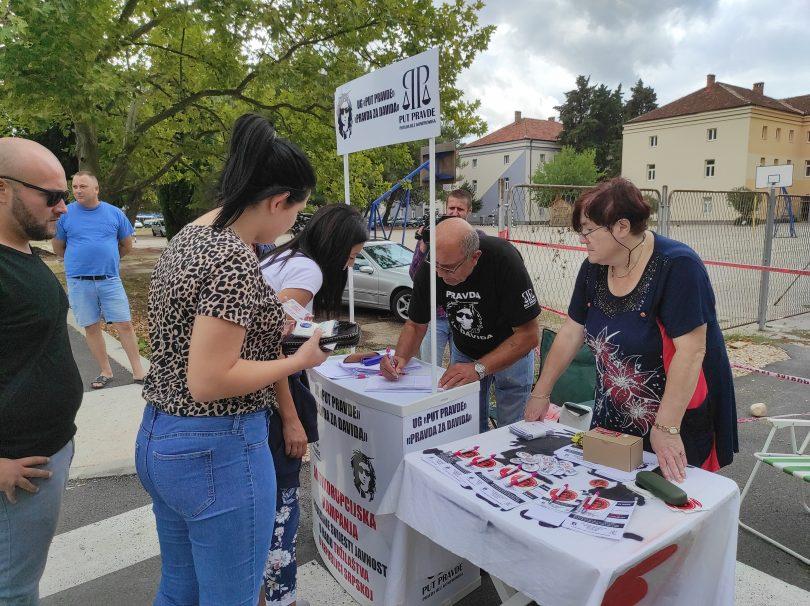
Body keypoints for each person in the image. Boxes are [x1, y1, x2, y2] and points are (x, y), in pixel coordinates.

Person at [135, 113, 329, 606]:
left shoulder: (190, 236)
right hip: (215, 445)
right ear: (277, 201)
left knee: (181, 589)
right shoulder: (232, 257)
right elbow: (209, 379)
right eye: (295, 214)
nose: (292, 227)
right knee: (232, 597)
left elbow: (196, 339)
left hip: (162, 432)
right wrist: (299, 358)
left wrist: (264, 328)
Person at [525, 178, 738, 482]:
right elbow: (572, 330)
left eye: (589, 229)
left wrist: (666, 427)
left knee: (672, 507)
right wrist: (541, 391)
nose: (583, 238)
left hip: (673, 418)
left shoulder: (677, 266)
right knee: (608, 494)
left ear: (621, 227)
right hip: (612, 413)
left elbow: (692, 350)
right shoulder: (594, 267)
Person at [258, 204, 367, 606]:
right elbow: (275, 344)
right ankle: (281, 597)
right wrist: (291, 418)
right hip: (269, 401)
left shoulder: (282, 255)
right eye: (352, 256)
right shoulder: (308, 270)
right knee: (280, 509)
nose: (351, 265)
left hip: (250, 394)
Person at [0, 138, 83, 603]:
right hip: (17, 468)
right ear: (2, 189)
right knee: (12, 589)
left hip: (46, 452)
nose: (63, 207)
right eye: (49, 196)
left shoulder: (23, 252)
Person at [382, 218, 540, 433]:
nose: (439, 274)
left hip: (511, 350)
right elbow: (416, 324)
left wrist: (479, 368)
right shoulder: (431, 267)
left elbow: (529, 335)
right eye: (436, 265)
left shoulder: (504, 259)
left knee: (512, 430)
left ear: (475, 257)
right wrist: (399, 359)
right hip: (465, 350)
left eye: (448, 269)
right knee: (467, 425)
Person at [52, 171, 146, 388]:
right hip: (79, 281)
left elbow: (126, 245)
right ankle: (105, 371)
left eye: (82, 186)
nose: (77, 191)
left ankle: (139, 371)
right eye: (74, 187)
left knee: (125, 324)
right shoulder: (65, 214)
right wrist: (81, 261)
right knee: (91, 326)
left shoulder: (114, 214)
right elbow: (59, 247)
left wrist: (107, 260)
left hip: (109, 280)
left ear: (96, 189)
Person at [409, 189, 475, 365]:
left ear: (469, 211)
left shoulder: (476, 239)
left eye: (460, 209)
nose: (454, 213)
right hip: (436, 316)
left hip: (463, 316)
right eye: (451, 208)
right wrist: (423, 246)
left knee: (461, 368)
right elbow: (414, 275)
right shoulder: (433, 236)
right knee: (429, 366)